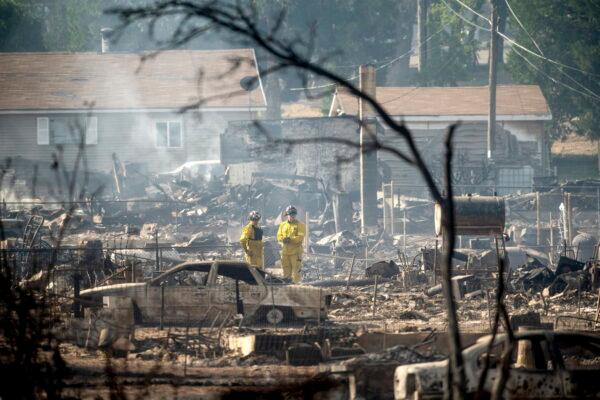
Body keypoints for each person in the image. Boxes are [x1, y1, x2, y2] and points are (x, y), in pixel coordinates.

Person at [277, 205, 305, 283]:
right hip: (285, 252)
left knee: (296, 272)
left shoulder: (300, 225)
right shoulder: (282, 225)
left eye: (293, 214)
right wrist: (283, 239)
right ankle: (287, 286)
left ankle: (297, 287)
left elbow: (300, 237)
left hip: (296, 253)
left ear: (295, 214)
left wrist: (291, 239)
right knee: (286, 271)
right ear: (287, 215)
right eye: (290, 214)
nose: (292, 216)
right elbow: (279, 235)